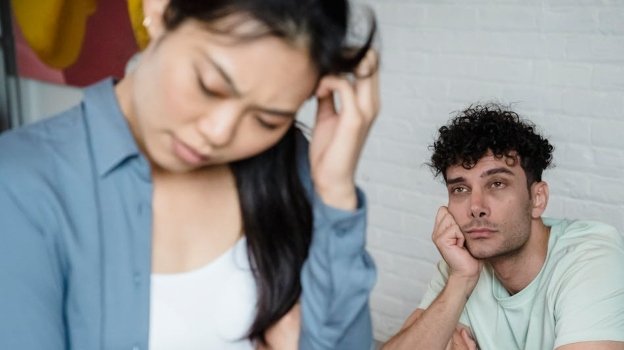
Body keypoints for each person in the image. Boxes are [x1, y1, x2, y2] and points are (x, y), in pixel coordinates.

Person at [0, 0, 379, 349]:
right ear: (161, 9)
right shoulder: (22, 184)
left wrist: (335, 192)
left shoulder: (292, 163)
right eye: (209, 85)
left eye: (268, 119)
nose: (220, 133)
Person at [383, 103, 624, 350]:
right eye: (460, 189)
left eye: (497, 183)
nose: (475, 207)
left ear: (537, 198)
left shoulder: (596, 263)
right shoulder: (461, 264)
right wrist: (460, 281)